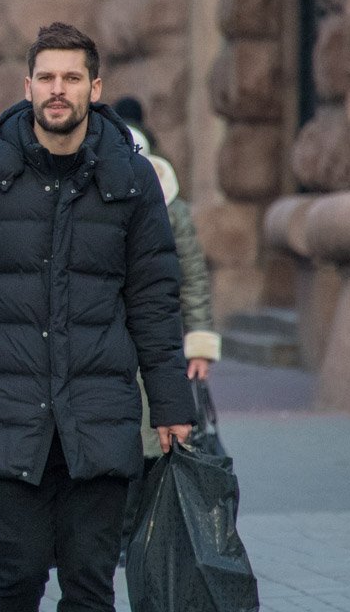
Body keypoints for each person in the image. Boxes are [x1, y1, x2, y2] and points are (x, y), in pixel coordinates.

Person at [0, 22, 195, 612]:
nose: (58, 89)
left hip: (99, 405)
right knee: (18, 568)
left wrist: (170, 405)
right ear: (27, 86)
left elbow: (155, 301)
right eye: (47, 77)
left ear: (95, 87)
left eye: (72, 78)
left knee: (89, 579)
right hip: (7, 403)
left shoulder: (131, 179)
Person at [114, 110, 222, 561]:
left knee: (153, 435)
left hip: (156, 333)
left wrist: (199, 339)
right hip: (110, 334)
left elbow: (193, 275)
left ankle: (138, 528)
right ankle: (121, 530)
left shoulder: (171, 204)